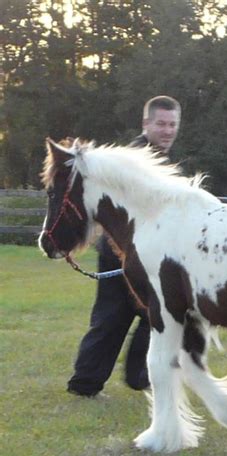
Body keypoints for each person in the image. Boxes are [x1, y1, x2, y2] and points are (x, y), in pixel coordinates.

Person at [67, 95, 181, 397]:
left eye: (172, 125)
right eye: (161, 124)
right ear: (146, 124)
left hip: (148, 253)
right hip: (121, 253)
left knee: (153, 314)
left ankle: (139, 375)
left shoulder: (160, 160)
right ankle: (86, 383)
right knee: (111, 318)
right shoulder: (134, 159)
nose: (168, 130)